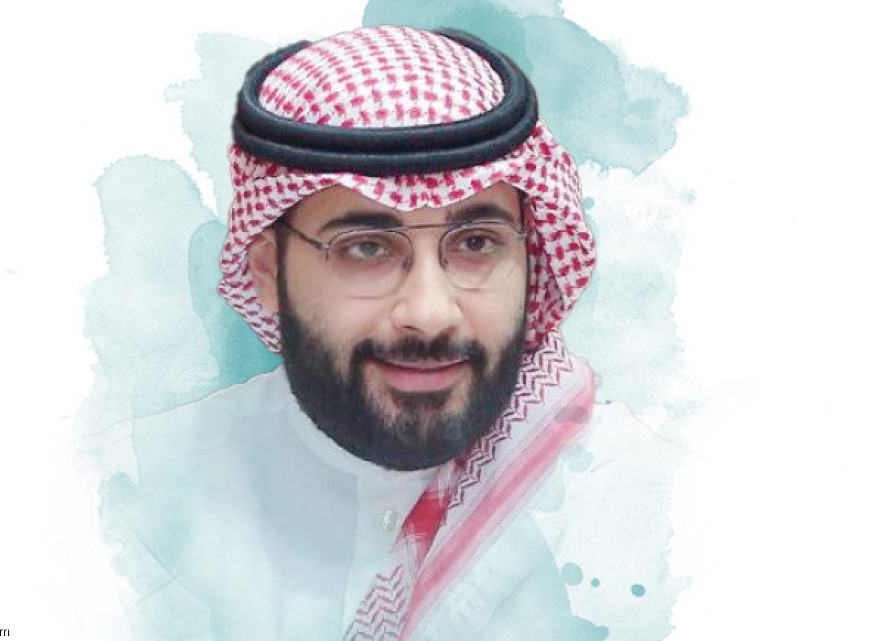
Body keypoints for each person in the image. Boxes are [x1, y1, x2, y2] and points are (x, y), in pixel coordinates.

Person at [99, 25, 682, 641]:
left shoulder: (661, 512)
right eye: (367, 247)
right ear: (268, 271)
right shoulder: (125, 500)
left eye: (476, 243)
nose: (429, 313)